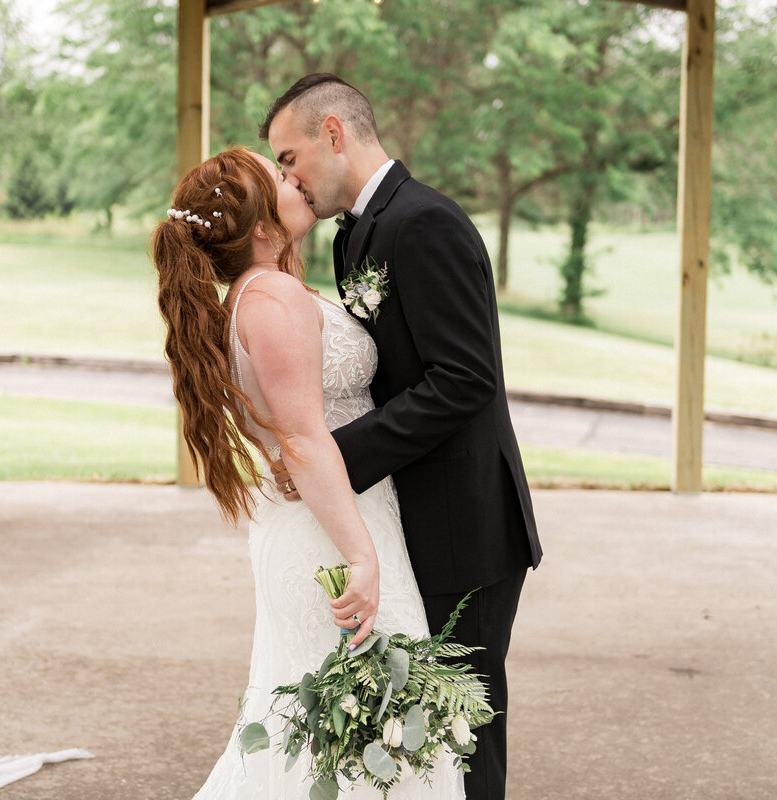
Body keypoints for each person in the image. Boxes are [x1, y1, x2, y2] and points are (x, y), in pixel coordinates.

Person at [261, 74, 544, 800]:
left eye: (289, 159)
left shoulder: (425, 223)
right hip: (406, 514)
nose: (287, 179)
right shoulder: (354, 235)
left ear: (333, 133)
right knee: (419, 735)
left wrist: (336, 458)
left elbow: (464, 379)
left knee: (465, 730)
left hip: (462, 521)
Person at [152, 147, 465, 798]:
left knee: (344, 730)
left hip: (326, 515)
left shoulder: (256, 293)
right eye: (279, 177)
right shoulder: (272, 297)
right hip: (332, 534)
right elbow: (299, 435)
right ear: (262, 230)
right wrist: (361, 556)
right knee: (354, 733)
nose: (294, 179)